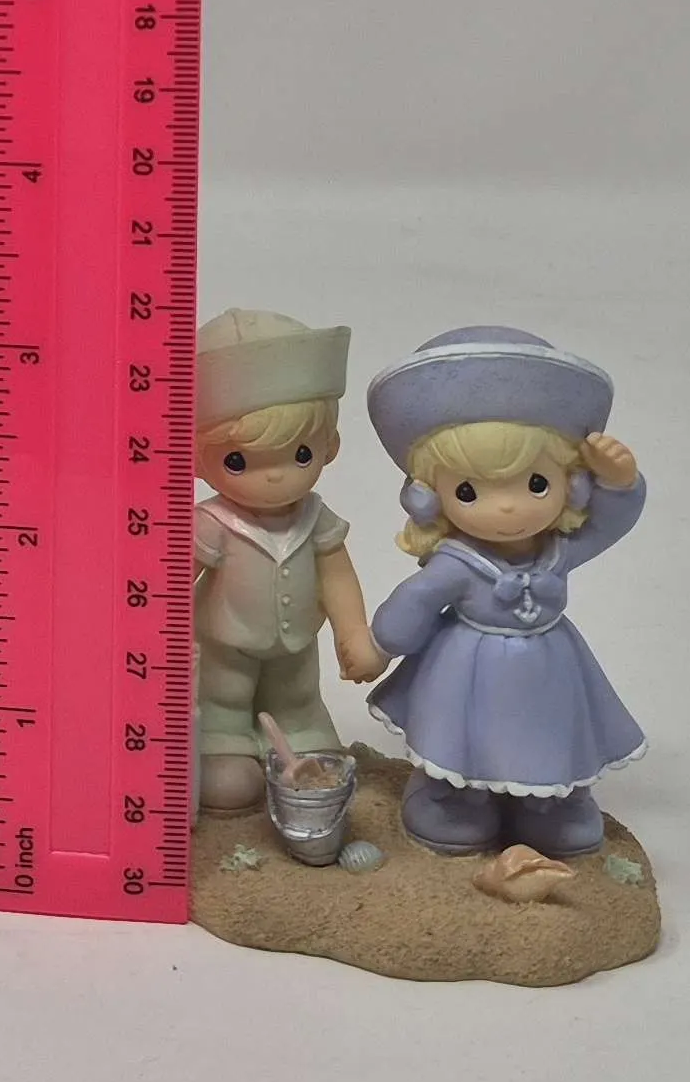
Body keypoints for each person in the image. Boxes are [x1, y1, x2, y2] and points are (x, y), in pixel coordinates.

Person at [362, 325, 648, 857]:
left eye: (536, 483)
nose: (509, 507)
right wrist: (379, 645)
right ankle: (453, 797)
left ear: (571, 483)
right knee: (461, 735)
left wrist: (621, 482)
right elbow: (415, 600)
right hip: (466, 670)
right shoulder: (456, 564)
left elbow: (610, 524)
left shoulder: (559, 551)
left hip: (548, 667)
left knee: (546, 730)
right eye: (469, 491)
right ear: (430, 498)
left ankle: (550, 801)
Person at [189, 308, 380, 811]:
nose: (275, 476)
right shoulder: (210, 522)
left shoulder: (315, 518)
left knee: (298, 699)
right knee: (224, 711)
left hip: (296, 649)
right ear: (197, 460)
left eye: (300, 454)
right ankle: (223, 744)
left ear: (330, 446)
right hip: (223, 648)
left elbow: (337, 576)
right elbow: (170, 581)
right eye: (238, 461)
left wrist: (353, 634)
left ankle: (301, 732)